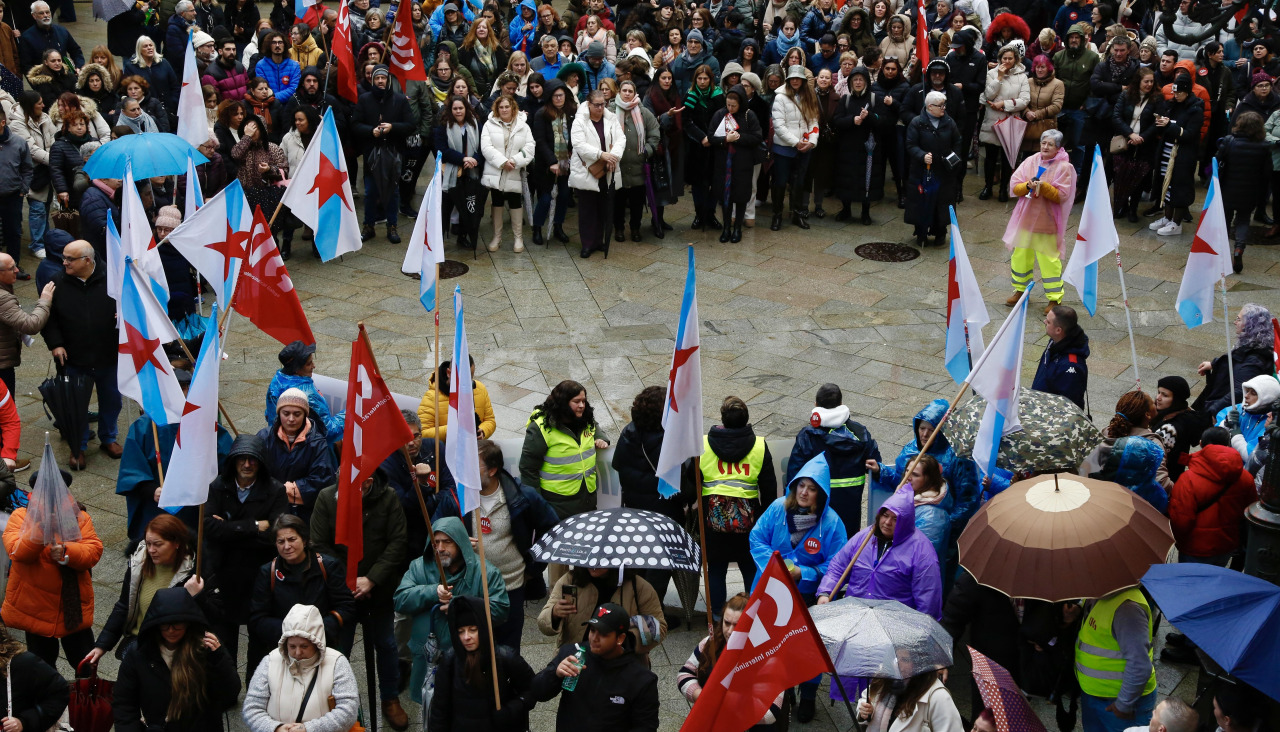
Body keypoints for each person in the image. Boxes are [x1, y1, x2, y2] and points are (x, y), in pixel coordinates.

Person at [433, 440, 556, 650]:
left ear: (492, 470)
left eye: (474, 466)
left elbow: (552, 529)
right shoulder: (456, 497)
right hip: (469, 587)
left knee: (507, 651)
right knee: (472, 650)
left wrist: (534, 568)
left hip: (511, 587)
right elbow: (435, 533)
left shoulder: (522, 496)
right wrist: (456, 541)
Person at [311, 469, 410, 729]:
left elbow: (398, 541)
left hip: (379, 590)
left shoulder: (388, 498)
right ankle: (339, 703)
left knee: (387, 645)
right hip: (341, 592)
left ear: (367, 482)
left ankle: (390, 698)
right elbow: (319, 543)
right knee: (338, 650)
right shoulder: (325, 498)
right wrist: (349, 580)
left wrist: (372, 578)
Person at [394, 515, 508, 704]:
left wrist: (460, 606)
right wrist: (432, 592)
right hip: (427, 658)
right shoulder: (418, 567)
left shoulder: (485, 573)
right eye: (436, 542)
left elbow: (500, 609)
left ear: (461, 543)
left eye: (447, 542)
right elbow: (400, 599)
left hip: (467, 659)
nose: (440, 548)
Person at [203, 434, 289, 680]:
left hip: (258, 576)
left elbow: (275, 534)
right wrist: (253, 526)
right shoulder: (218, 486)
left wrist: (228, 528)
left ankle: (257, 686)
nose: (247, 465)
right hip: (224, 576)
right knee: (224, 636)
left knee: (260, 637)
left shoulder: (275, 490)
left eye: (252, 459)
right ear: (234, 462)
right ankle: (227, 685)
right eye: (242, 459)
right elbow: (209, 528)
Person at [1, 465, 102, 668]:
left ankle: (85, 697)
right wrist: (40, 529)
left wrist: (67, 551)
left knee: (84, 663)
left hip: (73, 608)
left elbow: (93, 551)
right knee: (42, 666)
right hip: (35, 609)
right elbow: (18, 551)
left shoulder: (79, 517)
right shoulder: (21, 517)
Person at [85, 514, 207, 665]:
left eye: (158, 544)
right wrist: (101, 645)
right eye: (148, 543)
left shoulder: (196, 573)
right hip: (139, 648)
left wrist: (196, 596)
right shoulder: (138, 563)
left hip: (173, 655)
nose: (151, 550)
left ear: (176, 543)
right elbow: (123, 606)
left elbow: (208, 619)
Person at [113, 588, 242, 732]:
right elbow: (124, 703)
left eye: (177, 624)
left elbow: (229, 693)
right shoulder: (139, 653)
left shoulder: (207, 648)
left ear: (188, 622)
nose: (171, 630)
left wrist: (219, 659)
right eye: (165, 624)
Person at [868, 399, 981, 562]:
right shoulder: (910, 450)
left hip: (940, 529)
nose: (925, 434)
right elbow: (903, 483)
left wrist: (945, 525)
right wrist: (882, 471)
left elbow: (968, 501)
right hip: (905, 522)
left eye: (931, 430)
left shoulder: (958, 457)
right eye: (922, 428)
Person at [41, 240, 118, 470]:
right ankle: (79, 446)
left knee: (112, 400)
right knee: (75, 403)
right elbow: (49, 317)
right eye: (63, 257)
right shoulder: (57, 282)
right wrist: (56, 344)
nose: (64, 262)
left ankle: (109, 439)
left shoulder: (113, 278)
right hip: (73, 357)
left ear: (87, 260)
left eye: (69, 259)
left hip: (108, 354)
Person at [527, 602, 660, 731]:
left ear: (620, 638)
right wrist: (554, 674)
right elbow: (537, 692)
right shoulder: (572, 655)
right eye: (592, 630)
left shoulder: (641, 680)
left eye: (603, 634)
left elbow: (646, 726)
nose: (594, 638)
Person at [248, 514, 354, 660]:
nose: (287, 546)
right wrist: (291, 632)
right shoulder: (268, 572)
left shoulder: (328, 566)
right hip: (283, 651)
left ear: (304, 540)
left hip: (324, 647)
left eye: (292, 539)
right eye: (281, 541)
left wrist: (316, 629)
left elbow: (346, 607)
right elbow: (258, 618)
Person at [242, 604, 359, 732]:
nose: (297, 653)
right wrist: (276, 728)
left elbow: (348, 710)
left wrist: (308, 729)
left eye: (304, 646)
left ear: (316, 643)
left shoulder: (337, 662)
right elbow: (252, 708)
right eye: (292, 646)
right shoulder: (270, 661)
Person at [677, 593, 786, 727]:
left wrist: (727, 704)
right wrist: (700, 696)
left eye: (738, 625)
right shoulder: (710, 643)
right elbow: (685, 674)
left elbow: (770, 712)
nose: (730, 631)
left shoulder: (770, 656)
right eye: (727, 623)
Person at [428, 595, 535, 730]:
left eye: (473, 630)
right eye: (461, 632)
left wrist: (511, 709)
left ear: (484, 629)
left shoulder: (505, 657)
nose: (466, 637)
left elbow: (532, 690)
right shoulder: (450, 660)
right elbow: (439, 709)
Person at [787, 383, 880, 535]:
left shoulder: (808, 436)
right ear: (841, 404)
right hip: (850, 513)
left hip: (816, 511)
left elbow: (794, 476)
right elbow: (877, 467)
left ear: (816, 405)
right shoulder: (860, 433)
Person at [1002, 129, 1077, 312]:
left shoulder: (1065, 167)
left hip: (1047, 221)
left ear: (1058, 147)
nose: (1045, 147)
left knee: (1049, 260)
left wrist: (1043, 187)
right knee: (1020, 257)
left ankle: (1054, 298)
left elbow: (1062, 195)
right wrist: (1027, 185)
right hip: (1026, 219)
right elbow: (1015, 185)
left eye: (1050, 144)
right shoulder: (1031, 160)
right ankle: (1021, 290)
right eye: (1043, 143)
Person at [1169, 425, 1256, 567]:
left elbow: (1181, 520)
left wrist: (1180, 542)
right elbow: (1250, 512)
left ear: (1201, 444)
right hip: (1227, 545)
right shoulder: (1246, 477)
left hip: (1194, 548)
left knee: (1190, 586)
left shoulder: (1188, 479)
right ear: (1228, 444)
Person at [1074, 585, 1157, 732]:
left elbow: (1139, 665)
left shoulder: (1128, 609)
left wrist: (1124, 704)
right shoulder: (1099, 594)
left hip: (1120, 703)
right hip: (1094, 694)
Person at [353, 65, 413, 244]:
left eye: (383, 78)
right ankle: (368, 226)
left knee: (393, 192)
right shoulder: (364, 99)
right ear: (372, 80)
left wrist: (392, 127)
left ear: (388, 80)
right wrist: (371, 131)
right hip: (372, 153)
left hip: (393, 153)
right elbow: (355, 125)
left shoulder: (400, 100)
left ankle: (392, 226)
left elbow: (410, 125)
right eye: (377, 78)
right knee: (370, 192)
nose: (380, 81)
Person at [257, 388, 337, 519]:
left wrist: (279, 490)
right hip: (269, 508)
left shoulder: (317, 442)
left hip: (304, 512)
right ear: (279, 413)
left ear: (305, 414)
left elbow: (321, 479)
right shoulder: (264, 437)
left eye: (297, 414)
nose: (291, 419)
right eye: (286, 413)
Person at [1146, 74, 1204, 236]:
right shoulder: (1172, 105)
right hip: (1166, 151)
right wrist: (1161, 123)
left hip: (1183, 154)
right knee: (1166, 183)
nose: (1176, 95)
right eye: (1174, 92)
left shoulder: (1196, 109)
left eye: (1179, 93)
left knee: (1179, 186)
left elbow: (1189, 134)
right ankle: (1167, 216)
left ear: (1187, 92)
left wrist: (1169, 126)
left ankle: (1176, 222)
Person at [1193, 303, 1274, 415]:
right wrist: (1214, 364)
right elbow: (1235, 359)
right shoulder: (1253, 344)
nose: (1235, 322)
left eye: (1238, 319)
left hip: (1221, 413)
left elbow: (1238, 392)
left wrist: (1211, 411)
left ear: (1249, 325)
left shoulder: (1253, 361)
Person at [905, 89, 962, 247]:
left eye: (944, 105)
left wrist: (953, 158)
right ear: (930, 107)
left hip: (944, 171)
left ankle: (940, 232)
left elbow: (957, 142)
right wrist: (922, 155)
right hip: (922, 170)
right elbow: (910, 144)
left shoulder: (949, 122)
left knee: (942, 202)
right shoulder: (917, 122)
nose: (943, 108)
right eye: (940, 106)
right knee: (921, 201)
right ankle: (921, 232)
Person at [1218, 112, 1273, 272]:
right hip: (1250, 191)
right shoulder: (1264, 146)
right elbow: (1266, 173)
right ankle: (1239, 249)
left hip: (1227, 189)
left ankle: (1223, 253)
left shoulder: (1229, 141)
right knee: (1243, 220)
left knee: (1226, 220)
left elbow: (1217, 161)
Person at [480, 93, 534, 252]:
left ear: (513, 108)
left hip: (514, 171)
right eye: (501, 107)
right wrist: (502, 162)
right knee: (496, 201)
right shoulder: (489, 125)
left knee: (515, 201)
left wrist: (515, 161)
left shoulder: (523, 126)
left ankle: (518, 238)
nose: (504, 110)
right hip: (496, 170)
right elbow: (486, 147)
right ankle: (497, 237)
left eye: (507, 106)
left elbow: (530, 147)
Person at [769, 64, 818, 232]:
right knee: (780, 183)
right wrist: (795, 142)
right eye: (793, 78)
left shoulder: (808, 95)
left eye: (799, 78)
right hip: (784, 148)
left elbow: (813, 121)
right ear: (788, 80)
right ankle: (777, 215)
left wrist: (812, 141)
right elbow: (779, 125)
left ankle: (797, 214)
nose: (796, 81)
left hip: (804, 148)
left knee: (799, 183)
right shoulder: (780, 97)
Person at [264, 340, 345, 442]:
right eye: (309, 363)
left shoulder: (277, 379)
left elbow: (269, 414)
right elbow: (329, 432)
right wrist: (351, 413)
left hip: (278, 443)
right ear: (297, 369)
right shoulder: (308, 395)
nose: (313, 366)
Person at [707, 83, 758, 242]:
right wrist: (725, 140)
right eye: (728, 104)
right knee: (725, 196)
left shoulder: (749, 115)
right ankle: (726, 227)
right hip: (723, 163)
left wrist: (739, 137)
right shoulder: (719, 114)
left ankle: (737, 229)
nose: (730, 108)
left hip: (742, 163)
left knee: (741, 196)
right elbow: (711, 137)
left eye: (734, 105)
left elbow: (757, 137)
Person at [978, 43, 1029, 200]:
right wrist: (999, 78)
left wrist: (1005, 105)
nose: (1007, 61)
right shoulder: (992, 74)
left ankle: (1003, 189)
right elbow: (988, 95)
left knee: (1008, 158)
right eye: (1004, 58)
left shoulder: (1022, 76)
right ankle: (988, 186)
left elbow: (1025, 100)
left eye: (1010, 58)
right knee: (990, 157)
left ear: (1015, 59)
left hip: (1011, 121)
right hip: (993, 120)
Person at [832, 66, 883, 224]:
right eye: (855, 80)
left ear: (866, 81)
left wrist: (869, 117)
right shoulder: (845, 100)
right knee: (847, 179)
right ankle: (846, 209)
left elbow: (883, 122)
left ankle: (865, 212)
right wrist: (852, 120)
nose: (858, 82)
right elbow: (837, 121)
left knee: (866, 179)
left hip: (868, 147)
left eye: (861, 79)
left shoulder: (874, 99)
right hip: (847, 147)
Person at [0, 252, 49, 398]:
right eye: (12, 268)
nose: (17, 270)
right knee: (6, 414)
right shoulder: (3, 299)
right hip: (2, 367)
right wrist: (45, 300)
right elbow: (31, 325)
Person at [1030, 304, 1090, 408]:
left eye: (1048, 322)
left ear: (1058, 330)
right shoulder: (1055, 341)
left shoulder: (1070, 366)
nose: (1044, 322)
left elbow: (1068, 406)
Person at [1151, 376, 1208, 484]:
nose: (1158, 397)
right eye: (1158, 392)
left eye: (1165, 395)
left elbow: (1149, 456)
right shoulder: (1182, 412)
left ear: (1176, 399)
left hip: (1160, 480)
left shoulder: (1169, 429)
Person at [1217, 374, 1280, 459]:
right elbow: (1214, 436)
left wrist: (1236, 436)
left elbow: (1252, 456)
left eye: (1253, 393)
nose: (1246, 396)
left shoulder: (1270, 422)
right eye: (1247, 391)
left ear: (1266, 399)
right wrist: (1225, 424)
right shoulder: (1237, 408)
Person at [0, 108, 30, 282]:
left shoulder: (18, 142)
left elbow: (27, 168)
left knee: (14, 232)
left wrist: (23, 188)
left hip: (13, 196)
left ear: (2, 123)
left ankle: (13, 266)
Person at [18, 1, 81, 71]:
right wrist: (36, 79)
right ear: (34, 16)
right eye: (41, 13)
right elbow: (26, 64)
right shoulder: (27, 37)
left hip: (64, 76)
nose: (45, 15)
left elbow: (76, 50)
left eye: (47, 12)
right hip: (43, 78)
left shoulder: (61, 31)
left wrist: (78, 66)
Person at [203, 37, 249, 102]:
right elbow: (213, 99)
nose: (232, 52)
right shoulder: (211, 73)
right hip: (225, 110)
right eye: (228, 49)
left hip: (243, 108)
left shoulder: (239, 66)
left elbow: (248, 86)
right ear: (220, 51)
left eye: (234, 49)